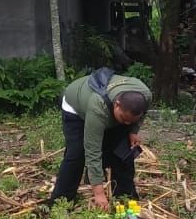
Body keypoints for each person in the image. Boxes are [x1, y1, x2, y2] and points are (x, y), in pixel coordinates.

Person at [50, 69, 151, 208]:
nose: (126, 123)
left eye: (130, 121)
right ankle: (60, 202)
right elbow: (92, 151)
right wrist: (99, 194)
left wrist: (133, 131)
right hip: (76, 107)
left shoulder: (144, 94)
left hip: (109, 108)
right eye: (123, 119)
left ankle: (124, 196)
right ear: (117, 104)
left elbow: (140, 115)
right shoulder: (98, 108)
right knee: (77, 154)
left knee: (123, 151)